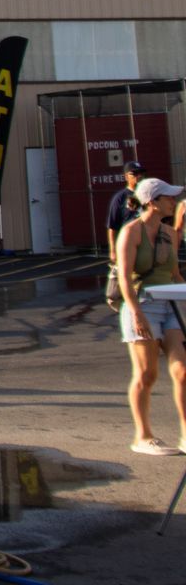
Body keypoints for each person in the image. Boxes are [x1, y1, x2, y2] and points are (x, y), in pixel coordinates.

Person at [116, 176, 186, 455]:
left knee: (182, 371)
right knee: (146, 373)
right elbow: (123, 277)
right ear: (152, 203)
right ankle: (142, 436)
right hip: (142, 304)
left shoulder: (169, 234)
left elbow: (174, 273)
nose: (173, 201)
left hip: (170, 305)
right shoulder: (132, 232)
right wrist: (136, 314)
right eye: (168, 198)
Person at [106, 161, 146, 241]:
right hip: (129, 241)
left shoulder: (149, 194)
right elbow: (112, 227)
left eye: (141, 173)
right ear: (126, 177)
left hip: (147, 240)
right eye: (134, 173)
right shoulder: (120, 197)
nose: (139, 176)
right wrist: (113, 250)